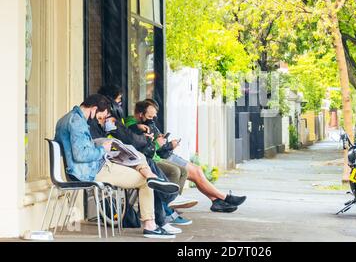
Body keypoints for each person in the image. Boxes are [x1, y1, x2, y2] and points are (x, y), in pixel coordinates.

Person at [54, 94, 178, 239]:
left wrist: (104, 149)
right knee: (145, 182)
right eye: (100, 117)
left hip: (89, 167)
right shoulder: (77, 122)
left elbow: (78, 150)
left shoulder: (67, 118)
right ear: (94, 109)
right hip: (91, 171)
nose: (98, 120)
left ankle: (149, 174)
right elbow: (81, 155)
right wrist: (103, 150)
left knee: (136, 157)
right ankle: (150, 225)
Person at [97, 84, 194, 226]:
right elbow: (130, 138)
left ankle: (163, 209)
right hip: (113, 159)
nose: (120, 103)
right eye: (118, 100)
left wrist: (159, 143)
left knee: (150, 169)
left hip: (122, 156)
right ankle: (166, 205)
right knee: (149, 173)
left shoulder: (115, 120)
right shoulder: (112, 120)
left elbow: (126, 135)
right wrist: (146, 138)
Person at [137, 99, 247, 213]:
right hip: (163, 155)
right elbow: (151, 147)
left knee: (197, 171)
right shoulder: (138, 126)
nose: (153, 119)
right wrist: (168, 145)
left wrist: (165, 142)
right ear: (141, 114)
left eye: (154, 115)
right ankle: (223, 198)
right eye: (150, 116)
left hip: (165, 154)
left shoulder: (148, 123)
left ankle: (216, 200)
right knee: (194, 172)